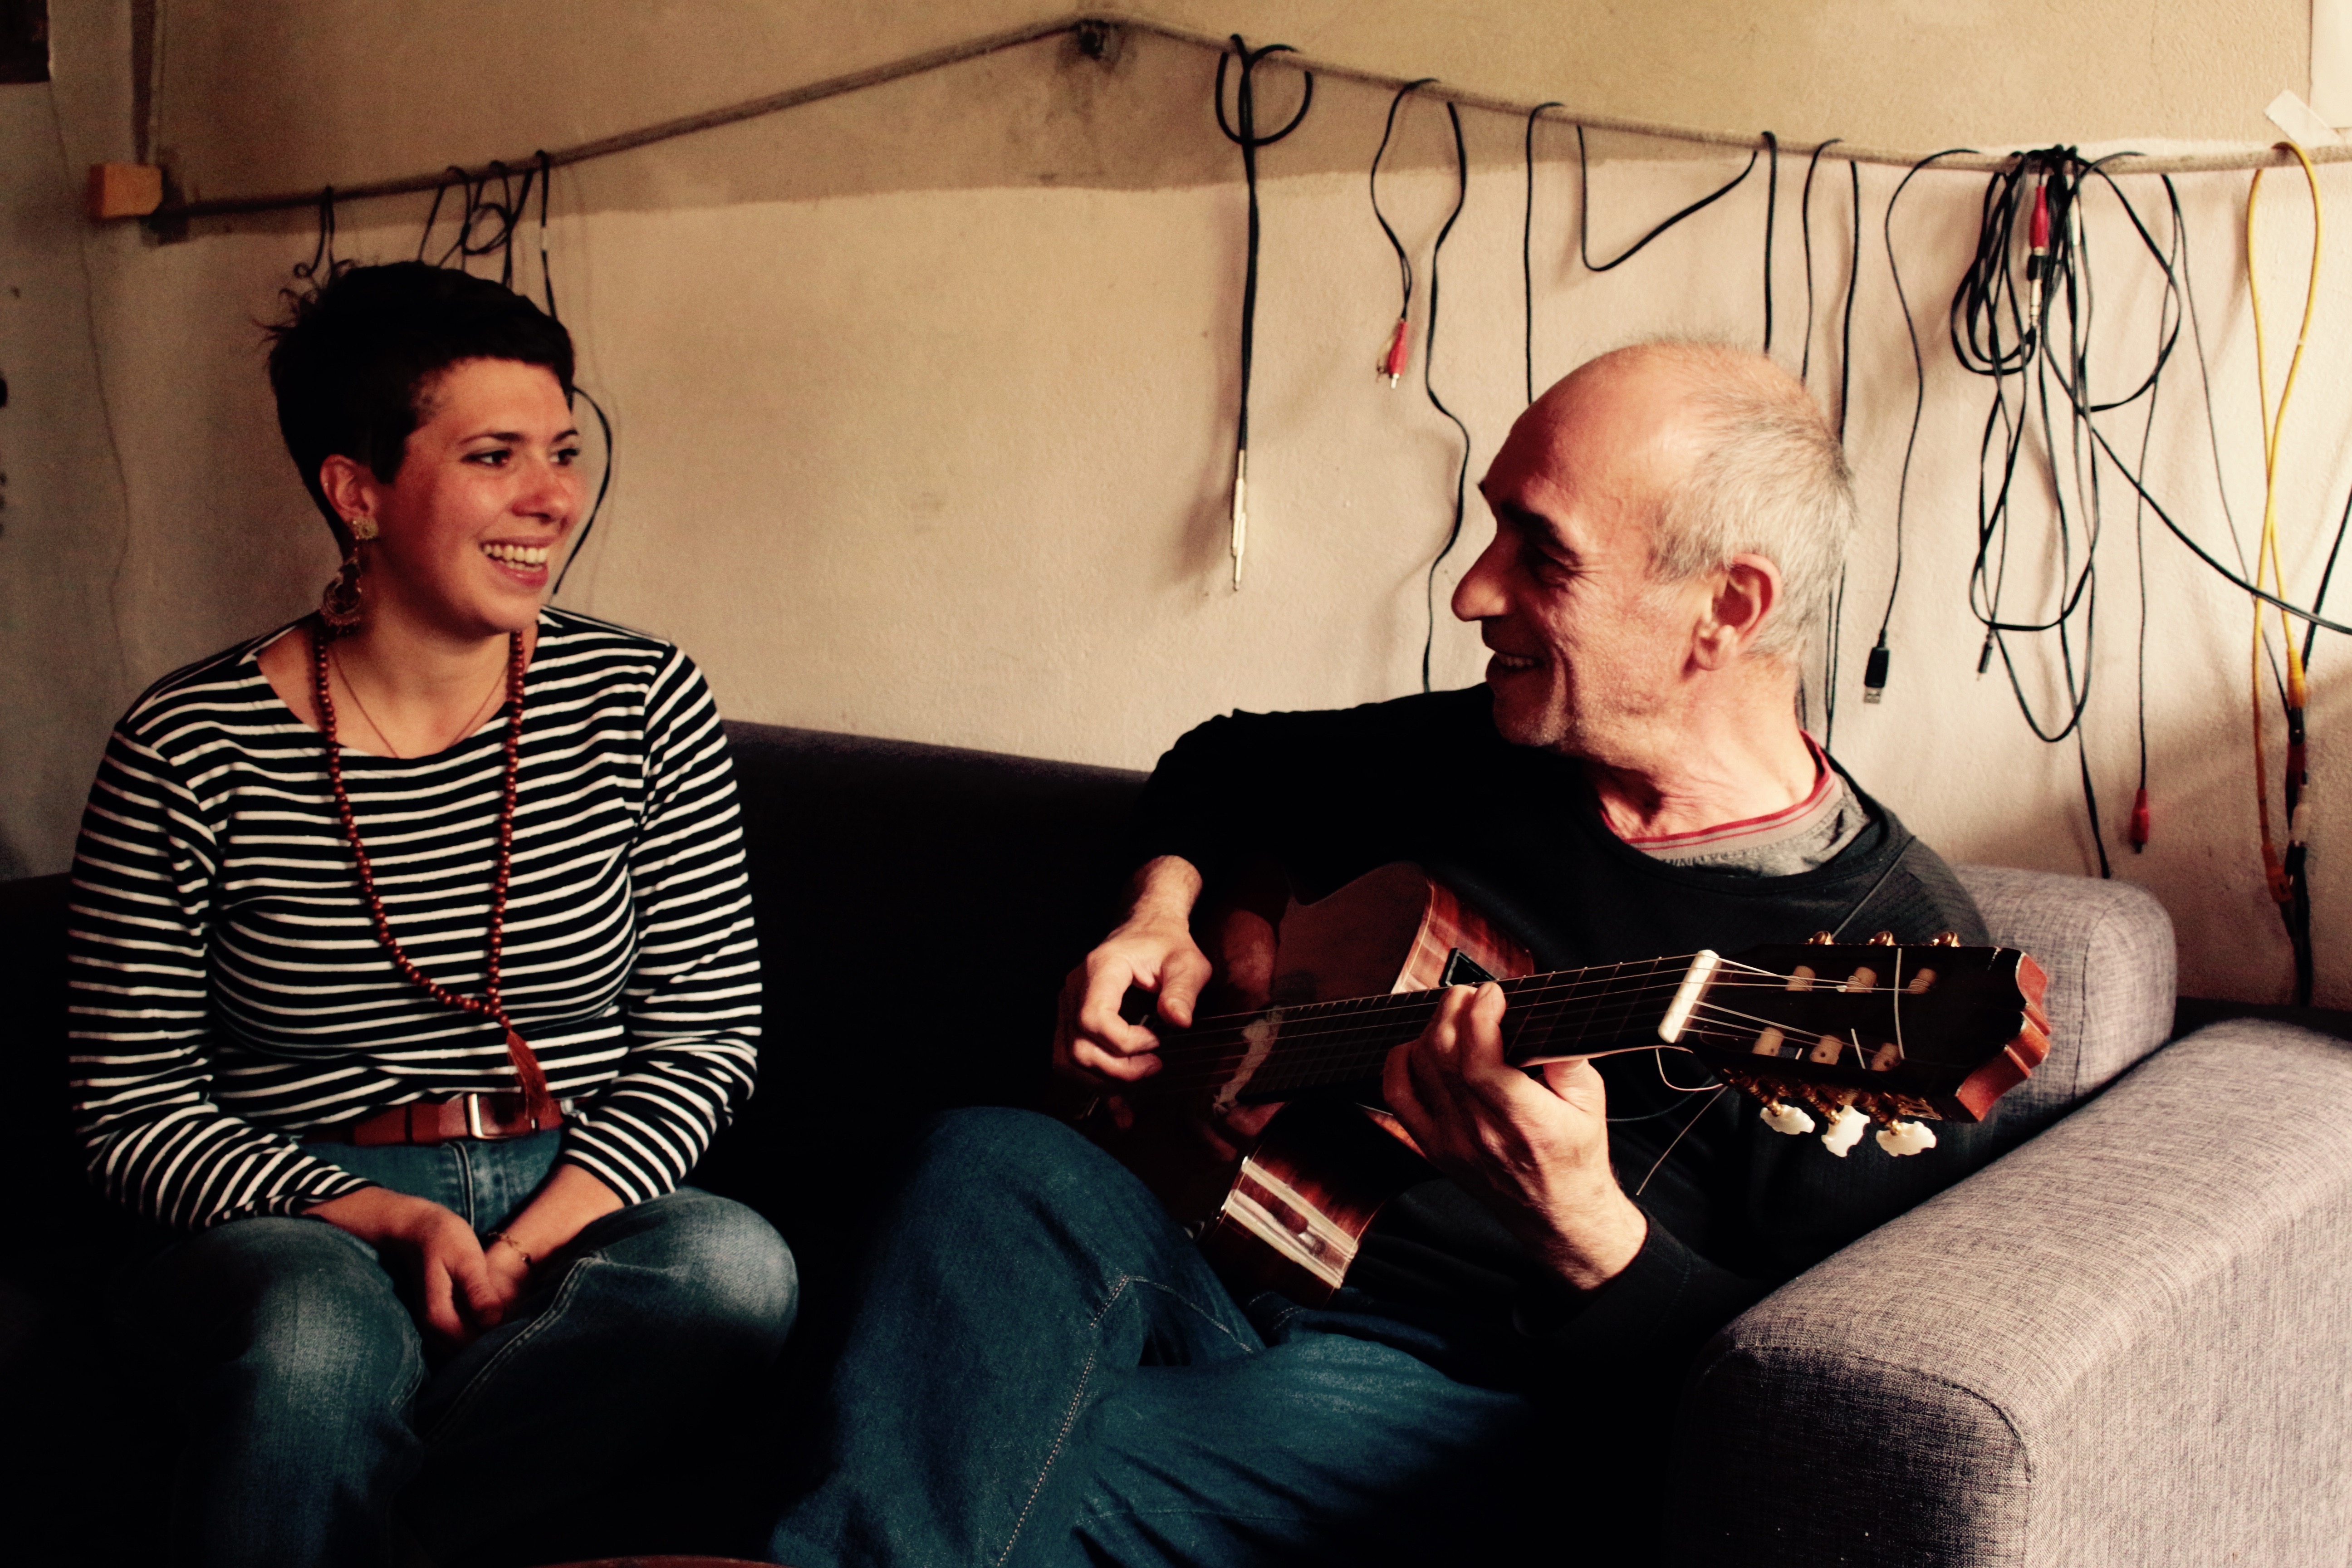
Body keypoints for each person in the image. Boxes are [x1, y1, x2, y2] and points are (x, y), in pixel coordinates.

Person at [763, 341, 2005, 1568]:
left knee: (985, 1445)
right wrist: (1163, 911)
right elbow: (1229, 758)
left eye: (1541, 552)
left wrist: (1583, 1227)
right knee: (992, 1154)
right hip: (1229, 1259)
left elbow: (1794, 1410)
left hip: (1468, 1401)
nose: (1471, 591)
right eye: (1491, 532)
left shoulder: (1888, 971)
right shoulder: (1495, 747)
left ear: (1726, 610)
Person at [67, 261, 797, 1568]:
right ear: (358, 490)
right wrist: (391, 1220)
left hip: (573, 1188)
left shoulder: (641, 698)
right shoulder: (192, 742)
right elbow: (132, 1112)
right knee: (312, 1338)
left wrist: (535, 1235)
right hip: (295, 1212)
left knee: (734, 1273)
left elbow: (707, 1036)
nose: (553, 498)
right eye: (495, 455)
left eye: (565, 452)